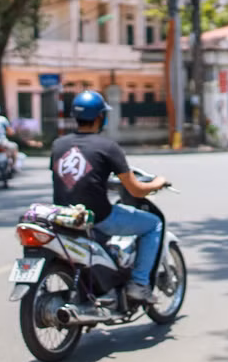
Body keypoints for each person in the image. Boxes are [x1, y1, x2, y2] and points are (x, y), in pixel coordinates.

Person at [50, 90, 166, 304]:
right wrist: (157, 182)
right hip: (99, 218)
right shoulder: (107, 147)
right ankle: (139, 284)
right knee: (154, 224)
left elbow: (75, 177)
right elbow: (136, 190)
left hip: (65, 216)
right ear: (100, 117)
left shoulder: (59, 145)